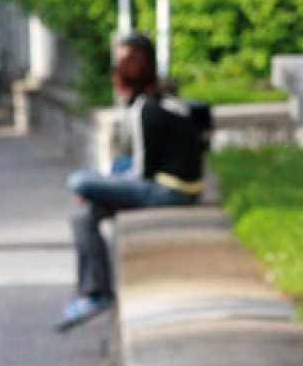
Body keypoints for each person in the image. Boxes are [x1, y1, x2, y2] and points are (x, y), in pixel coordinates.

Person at [55, 34, 207, 332]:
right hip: (175, 185)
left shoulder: (147, 109)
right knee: (85, 215)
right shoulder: (160, 100)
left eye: (127, 60)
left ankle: (95, 293)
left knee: (80, 181)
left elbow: (142, 172)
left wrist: (100, 187)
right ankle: (92, 292)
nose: (121, 67)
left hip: (169, 190)